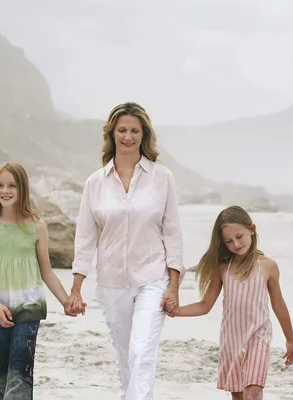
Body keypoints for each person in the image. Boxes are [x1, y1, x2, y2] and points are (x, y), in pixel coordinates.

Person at [66, 102, 185, 399]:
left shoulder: (163, 178)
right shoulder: (95, 183)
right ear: (112, 134)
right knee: (125, 358)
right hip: (112, 283)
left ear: (144, 134)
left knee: (141, 351)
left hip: (153, 278)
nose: (128, 136)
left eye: (134, 130)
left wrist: (174, 286)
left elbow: (173, 234)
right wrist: (76, 288)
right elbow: (85, 238)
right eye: (122, 130)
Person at [0, 161, 80, 400]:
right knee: (1, 373)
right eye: (0, 185)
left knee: (21, 370)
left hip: (29, 306)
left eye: (12, 185)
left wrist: (65, 301)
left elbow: (47, 272)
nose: (5, 190)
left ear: (23, 189)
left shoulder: (36, 226)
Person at [165, 205, 293, 400]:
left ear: (252, 229)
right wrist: (176, 311)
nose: (235, 244)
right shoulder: (222, 269)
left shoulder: (268, 266)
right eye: (229, 241)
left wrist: (290, 339)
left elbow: (278, 304)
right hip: (231, 339)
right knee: (237, 395)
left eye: (239, 236)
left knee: (253, 391)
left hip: (258, 336)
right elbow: (205, 305)